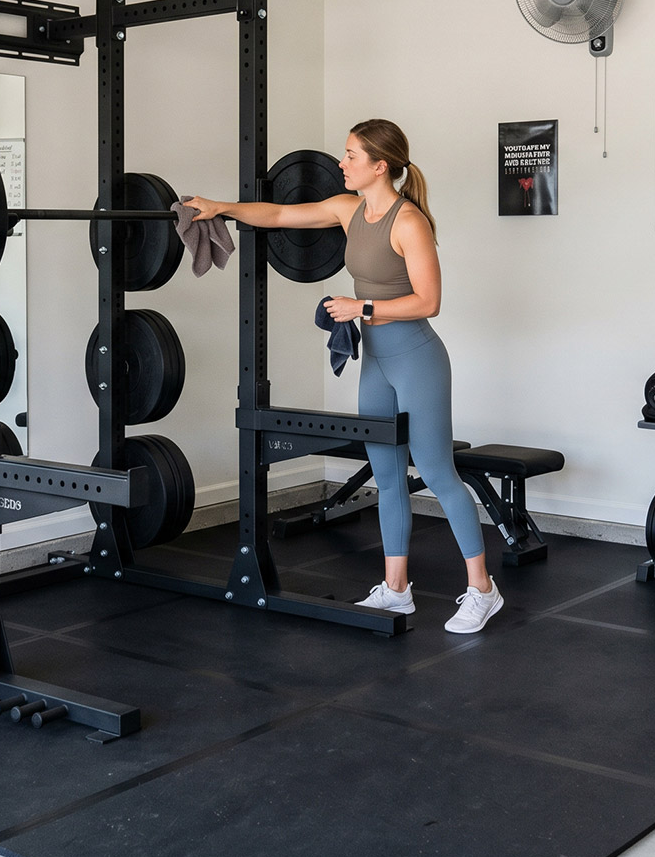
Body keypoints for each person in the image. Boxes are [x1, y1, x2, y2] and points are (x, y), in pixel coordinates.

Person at [184, 119, 502, 633]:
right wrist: (220, 207)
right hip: (376, 361)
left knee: (438, 471)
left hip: (418, 359)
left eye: (351, 155)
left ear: (380, 165)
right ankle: (397, 590)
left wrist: (362, 306)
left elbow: (430, 301)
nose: (341, 162)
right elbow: (280, 214)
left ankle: (482, 589)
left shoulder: (409, 221)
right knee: (386, 473)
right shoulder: (348, 208)